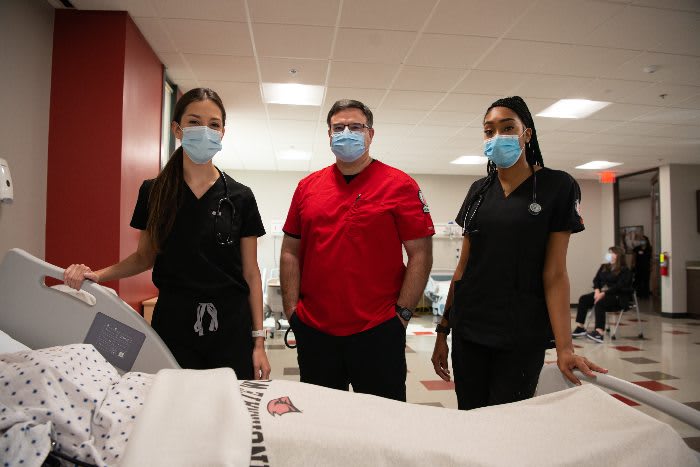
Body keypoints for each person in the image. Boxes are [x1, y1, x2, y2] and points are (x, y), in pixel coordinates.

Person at [63, 88, 271, 380]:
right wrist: (98, 275)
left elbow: (251, 274)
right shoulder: (155, 192)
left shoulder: (240, 197)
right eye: (195, 122)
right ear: (177, 129)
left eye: (214, 124)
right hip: (174, 324)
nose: (205, 131)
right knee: (172, 406)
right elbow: (144, 257)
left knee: (227, 411)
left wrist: (259, 342)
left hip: (231, 327)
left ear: (223, 132)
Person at [430, 96, 606, 410]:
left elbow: (555, 274)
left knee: (508, 420)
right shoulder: (479, 191)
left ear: (527, 133)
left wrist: (565, 348)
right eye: (489, 130)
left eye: (507, 127)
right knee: (470, 416)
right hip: (469, 330)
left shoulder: (557, 186)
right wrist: (443, 331)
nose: (497, 136)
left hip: (521, 334)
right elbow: (463, 268)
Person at [280, 99, 434, 402]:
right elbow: (290, 252)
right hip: (315, 331)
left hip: (378, 331)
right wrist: (292, 311)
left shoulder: (399, 185)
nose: (346, 133)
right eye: (338, 128)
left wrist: (401, 315)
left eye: (355, 126)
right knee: (322, 423)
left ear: (371, 134)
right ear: (328, 134)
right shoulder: (307, 187)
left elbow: (421, 255)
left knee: (384, 425)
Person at [572, 246, 633, 343]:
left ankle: (599, 332)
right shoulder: (604, 266)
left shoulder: (625, 270)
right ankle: (580, 327)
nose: (610, 255)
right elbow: (596, 280)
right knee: (584, 299)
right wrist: (597, 290)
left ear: (618, 256)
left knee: (600, 302)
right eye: (609, 253)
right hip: (601, 293)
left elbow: (619, 286)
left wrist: (603, 293)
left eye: (612, 253)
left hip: (618, 296)